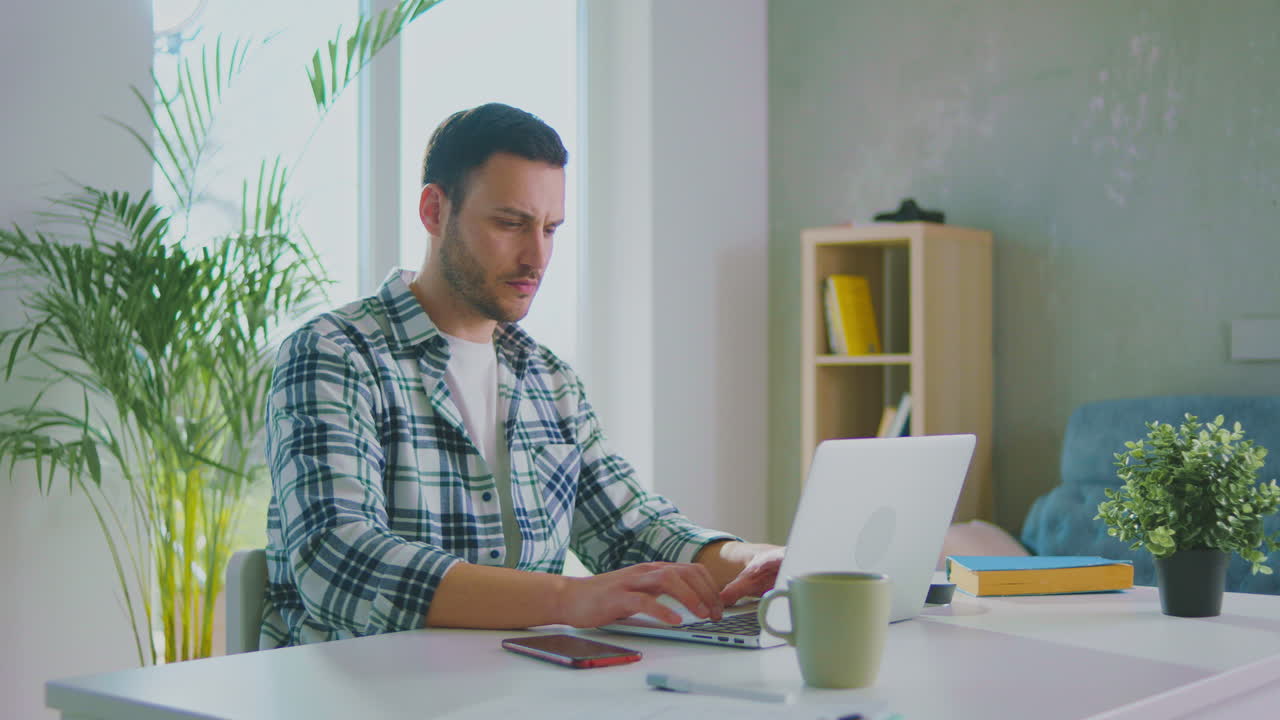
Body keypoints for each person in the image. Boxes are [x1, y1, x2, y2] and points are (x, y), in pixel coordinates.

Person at [260, 102, 783, 648]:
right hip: (351, 693)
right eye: (511, 224)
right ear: (434, 211)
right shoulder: (335, 353)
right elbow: (339, 559)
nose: (537, 257)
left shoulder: (549, 380)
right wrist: (569, 597)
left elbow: (633, 531)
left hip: (514, 689)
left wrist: (761, 560)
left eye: (550, 229)